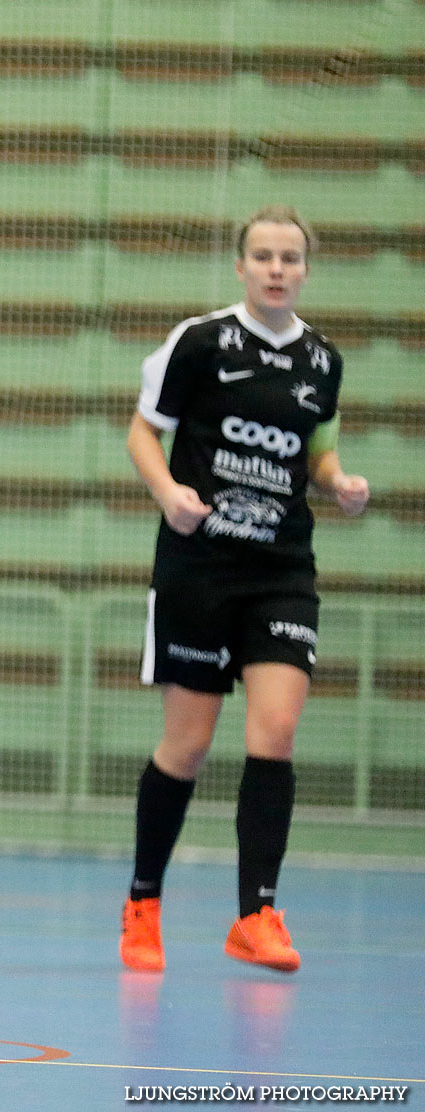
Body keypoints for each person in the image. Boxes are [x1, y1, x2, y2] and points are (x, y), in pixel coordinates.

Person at [118, 205, 369, 974]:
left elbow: (317, 452)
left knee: (277, 733)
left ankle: (255, 913)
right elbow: (141, 431)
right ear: (241, 265)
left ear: (305, 269)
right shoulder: (199, 342)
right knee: (187, 748)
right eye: (262, 256)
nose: (276, 269)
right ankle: (143, 902)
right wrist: (169, 494)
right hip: (199, 569)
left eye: (290, 258)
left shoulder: (322, 363)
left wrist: (339, 484)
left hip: (281, 571)